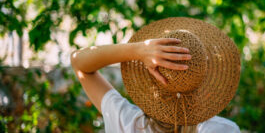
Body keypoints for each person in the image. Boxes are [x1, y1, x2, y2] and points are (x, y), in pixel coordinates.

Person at [71, 17, 241, 133]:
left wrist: (139, 49)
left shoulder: (126, 122)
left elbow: (79, 62)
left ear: (149, 83)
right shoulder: (222, 129)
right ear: (207, 88)